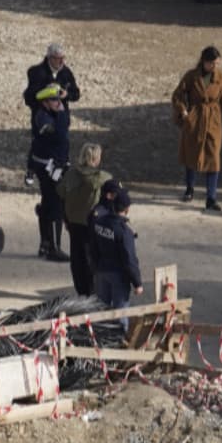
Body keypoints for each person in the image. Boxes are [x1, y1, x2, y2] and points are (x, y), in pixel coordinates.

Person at [173, 46, 222, 211]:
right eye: (212, 63)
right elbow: (177, 94)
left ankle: (211, 198)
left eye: (217, 63)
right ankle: (189, 189)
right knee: (191, 155)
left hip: (213, 122)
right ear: (204, 62)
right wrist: (184, 111)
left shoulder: (221, 79)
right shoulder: (191, 77)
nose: (215, 66)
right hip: (195, 119)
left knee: (213, 158)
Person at [58, 144, 110, 297]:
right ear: (96, 158)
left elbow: (61, 194)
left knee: (77, 257)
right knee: (92, 257)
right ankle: (92, 290)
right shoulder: (102, 178)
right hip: (92, 224)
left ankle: (81, 289)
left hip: (73, 222)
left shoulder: (70, 175)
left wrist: (65, 218)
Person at [30, 85, 72, 261]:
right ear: (45, 102)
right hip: (49, 169)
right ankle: (54, 248)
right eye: (54, 100)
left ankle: (45, 245)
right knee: (55, 207)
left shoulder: (49, 114)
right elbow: (60, 135)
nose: (58, 103)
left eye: (59, 99)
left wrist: (63, 106)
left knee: (47, 204)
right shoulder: (43, 119)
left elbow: (65, 125)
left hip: (52, 166)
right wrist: (62, 112)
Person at [90, 187, 143, 314]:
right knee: (120, 314)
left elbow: (93, 246)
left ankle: (101, 334)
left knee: (101, 312)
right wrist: (137, 283)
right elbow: (129, 259)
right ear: (127, 209)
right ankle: (120, 334)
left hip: (101, 271)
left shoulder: (99, 222)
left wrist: (95, 267)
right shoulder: (124, 232)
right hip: (118, 275)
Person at [23, 43, 81, 112]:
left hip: (61, 114)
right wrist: (44, 100)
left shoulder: (66, 73)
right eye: (58, 58)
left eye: (63, 58)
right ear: (50, 58)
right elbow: (28, 97)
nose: (61, 61)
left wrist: (66, 95)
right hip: (42, 113)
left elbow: (76, 94)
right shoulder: (36, 72)